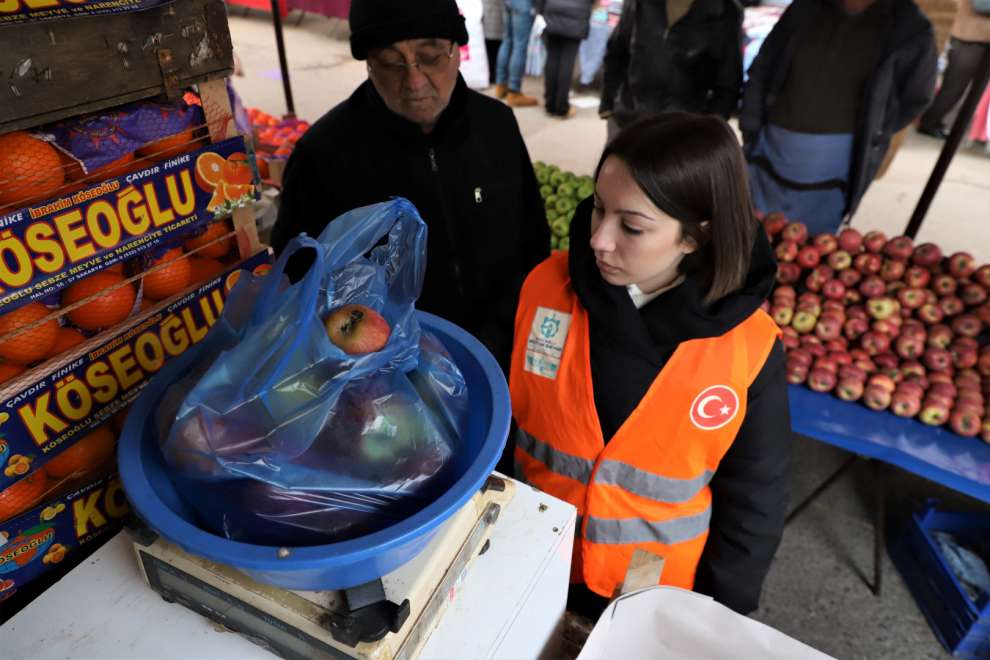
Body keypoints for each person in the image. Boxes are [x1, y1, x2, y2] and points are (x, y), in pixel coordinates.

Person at [510, 113, 790, 619]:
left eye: (632, 226)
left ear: (695, 237)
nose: (598, 239)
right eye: (598, 209)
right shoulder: (545, 289)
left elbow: (755, 501)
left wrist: (721, 614)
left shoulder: (750, 347)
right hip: (529, 552)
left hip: (649, 590)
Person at [271, 0, 550, 376]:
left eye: (431, 56)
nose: (415, 81)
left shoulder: (497, 125)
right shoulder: (322, 154)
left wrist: (504, 335)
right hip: (390, 378)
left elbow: (532, 241)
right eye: (390, 62)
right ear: (368, 63)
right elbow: (301, 281)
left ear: (456, 51)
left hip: (503, 357)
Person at [740, 0, 937, 235]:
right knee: (749, 231)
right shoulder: (806, 8)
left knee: (808, 247)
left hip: (836, 159)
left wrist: (874, 132)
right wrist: (751, 124)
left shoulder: (909, 28)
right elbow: (764, 65)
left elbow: (916, 97)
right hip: (772, 145)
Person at [599, 0, 744, 140]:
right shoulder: (640, 3)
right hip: (626, 122)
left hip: (681, 136)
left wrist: (704, 134)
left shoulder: (725, 11)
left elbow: (728, 85)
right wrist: (609, 104)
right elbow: (616, 52)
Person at [918, 0, 990, 138]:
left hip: (977, 40)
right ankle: (929, 123)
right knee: (953, 89)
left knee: (965, 91)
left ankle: (936, 123)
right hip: (970, 39)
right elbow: (981, 5)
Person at [535, 0, 595, 118]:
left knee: (552, 57)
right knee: (568, 60)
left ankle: (550, 103)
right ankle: (561, 107)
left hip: (553, 9)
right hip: (577, 13)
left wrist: (540, 10)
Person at [494, 0, 541, 106]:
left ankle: (501, 85)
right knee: (520, 46)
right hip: (523, 3)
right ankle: (514, 92)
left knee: (507, 40)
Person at [482, 0, 507, 85]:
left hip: (490, 11)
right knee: (494, 46)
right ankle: (494, 76)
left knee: (492, 45)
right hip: (493, 11)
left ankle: (493, 75)